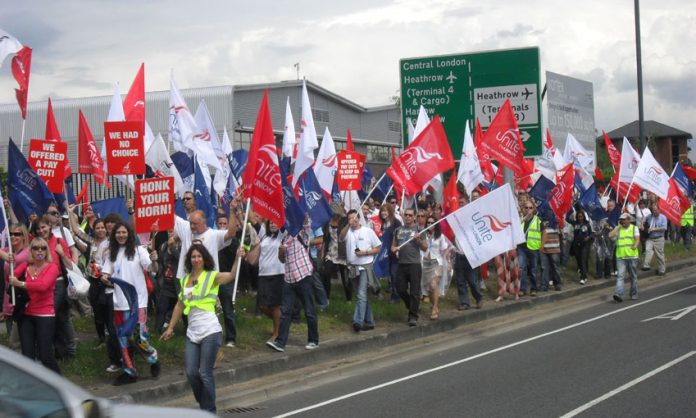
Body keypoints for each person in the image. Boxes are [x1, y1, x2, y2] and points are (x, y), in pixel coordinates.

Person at [161, 243, 241, 413]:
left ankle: (209, 410)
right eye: (193, 257)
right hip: (192, 332)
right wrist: (170, 328)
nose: (196, 259)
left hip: (210, 330)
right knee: (191, 373)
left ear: (204, 259)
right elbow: (179, 305)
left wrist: (237, 257)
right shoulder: (184, 280)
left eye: (199, 256)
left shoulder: (212, 276)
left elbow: (232, 275)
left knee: (205, 373)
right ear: (189, 260)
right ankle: (204, 402)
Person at [101, 221, 160, 385]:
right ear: (114, 235)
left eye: (124, 232)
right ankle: (129, 371)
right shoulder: (112, 253)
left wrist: (154, 260)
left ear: (129, 234)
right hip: (119, 303)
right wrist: (104, 278)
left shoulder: (139, 250)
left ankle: (153, 357)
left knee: (139, 339)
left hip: (138, 303)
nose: (121, 235)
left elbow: (152, 269)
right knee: (123, 339)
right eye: (118, 233)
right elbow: (106, 273)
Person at [9, 237, 61, 374]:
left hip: (45, 314)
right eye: (36, 248)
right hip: (26, 314)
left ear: (46, 251)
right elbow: (11, 277)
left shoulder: (53, 267)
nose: (39, 250)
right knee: (27, 356)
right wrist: (11, 263)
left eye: (43, 248)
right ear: (31, 251)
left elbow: (43, 286)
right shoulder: (26, 266)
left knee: (45, 356)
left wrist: (21, 284)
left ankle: (61, 384)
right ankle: (32, 387)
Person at [266, 228, 319, 352]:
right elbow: (282, 260)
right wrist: (281, 251)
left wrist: (301, 214)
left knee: (309, 311)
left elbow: (306, 223)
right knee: (286, 312)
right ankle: (280, 343)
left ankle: (313, 340)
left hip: (303, 275)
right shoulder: (283, 237)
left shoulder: (301, 233)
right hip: (289, 278)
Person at [33, 215, 76, 360]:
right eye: (38, 228)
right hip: (43, 285)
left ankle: (67, 350)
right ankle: (61, 351)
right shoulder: (36, 243)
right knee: (59, 317)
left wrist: (62, 253)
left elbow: (70, 264)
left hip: (58, 283)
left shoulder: (59, 241)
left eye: (43, 227)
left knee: (53, 315)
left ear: (49, 226)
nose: (41, 230)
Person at [342, 209, 381, 331]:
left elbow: (378, 247)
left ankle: (357, 321)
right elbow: (340, 237)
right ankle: (369, 321)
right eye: (350, 218)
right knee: (361, 296)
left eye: (354, 217)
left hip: (365, 266)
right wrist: (348, 225)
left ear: (359, 218)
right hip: (352, 267)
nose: (353, 220)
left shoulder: (367, 231)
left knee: (361, 294)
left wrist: (365, 253)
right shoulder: (347, 232)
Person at [391, 208, 428, 327]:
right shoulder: (398, 230)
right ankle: (410, 305)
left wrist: (418, 240)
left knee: (414, 292)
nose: (407, 217)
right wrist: (394, 249)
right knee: (400, 288)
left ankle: (413, 316)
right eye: (406, 215)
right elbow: (393, 245)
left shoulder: (419, 230)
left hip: (414, 264)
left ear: (414, 217)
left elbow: (425, 248)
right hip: (402, 263)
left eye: (410, 215)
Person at [251, 221, 285, 343]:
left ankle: (276, 333)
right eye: (270, 223)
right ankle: (282, 322)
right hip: (263, 275)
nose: (273, 225)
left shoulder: (282, 235)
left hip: (277, 275)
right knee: (263, 306)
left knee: (275, 306)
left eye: (276, 223)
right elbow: (252, 220)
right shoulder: (264, 235)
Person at [0, 224, 30, 341]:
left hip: (22, 299)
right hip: (8, 298)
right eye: (10, 234)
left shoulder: (27, 252)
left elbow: (16, 260)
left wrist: (7, 257)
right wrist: (6, 255)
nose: (13, 237)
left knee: (21, 339)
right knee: (11, 339)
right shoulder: (8, 251)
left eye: (17, 234)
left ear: (24, 236)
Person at [419, 216, 450, 320]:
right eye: (428, 222)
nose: (429, 224)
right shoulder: (424, 235)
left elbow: (445, 250)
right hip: (426, 263)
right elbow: (421, 248)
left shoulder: (440, 236)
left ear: (436, 224)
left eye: (432, 222)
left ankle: (435, 307)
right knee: (429, 289)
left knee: (433, 285)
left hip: (437, 262)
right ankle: (434, 305)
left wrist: (449, 262)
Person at [610, 213, 640, 302]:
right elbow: (610, 236)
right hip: (621, 257)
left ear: (628, 220)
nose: (622, 221)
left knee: (633, 276)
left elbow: (637, 239)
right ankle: (618, 294)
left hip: (632, 256)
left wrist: (635, 245)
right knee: (620, 276)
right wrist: (617, 227)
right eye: (621, 219)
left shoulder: (634, 228)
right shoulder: (619, 229)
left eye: (624, 219)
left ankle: (634, 293)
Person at [518, 201, 541, 296]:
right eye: (526, 207)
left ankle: (534, 288)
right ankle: (522, 289)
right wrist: (523, 219)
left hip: (533, 247)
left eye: (530, 208)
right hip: (521, 247)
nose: (528, 210)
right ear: (523, 209)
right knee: (521, 268)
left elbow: (544, 233)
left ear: (534, 209)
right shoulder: (520, 220)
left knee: (533, 269)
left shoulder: (538, 220)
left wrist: (542, 246)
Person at [641, 203, 667, 276]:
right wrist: (642, 225)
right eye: (653, 210)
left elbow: (664, 228)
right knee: (648, 250)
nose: (654, 212)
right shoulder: (650, 216)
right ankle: (646, 265)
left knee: (659, 254)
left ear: (659, 210)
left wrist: (654, 229)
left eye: (655, 210)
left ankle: (662, 269)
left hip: (659, 238)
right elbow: (643, 219)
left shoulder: (663, 217)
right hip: (650, 238)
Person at [570, 210, 593, 285]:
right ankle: (585, 273)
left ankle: (583, 277)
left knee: (583, 259)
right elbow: (567, 218)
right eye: (578, 216)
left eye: (581, 216)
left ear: (583, 216)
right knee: (579, 260)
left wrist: (588, 237)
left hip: (585, 245)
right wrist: (569, 209)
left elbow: (591, 234)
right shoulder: (575, 224)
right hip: (576, 245)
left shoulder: (587, 224)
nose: (580, 218)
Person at [540, 220, 562, 291]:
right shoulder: (540, 220)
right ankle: (544, 285)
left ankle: (557, 283)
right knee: (544, 267)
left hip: (554, 247)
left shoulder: (556, 219)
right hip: (543, 247)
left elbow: (561, 229)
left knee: (555, 267)